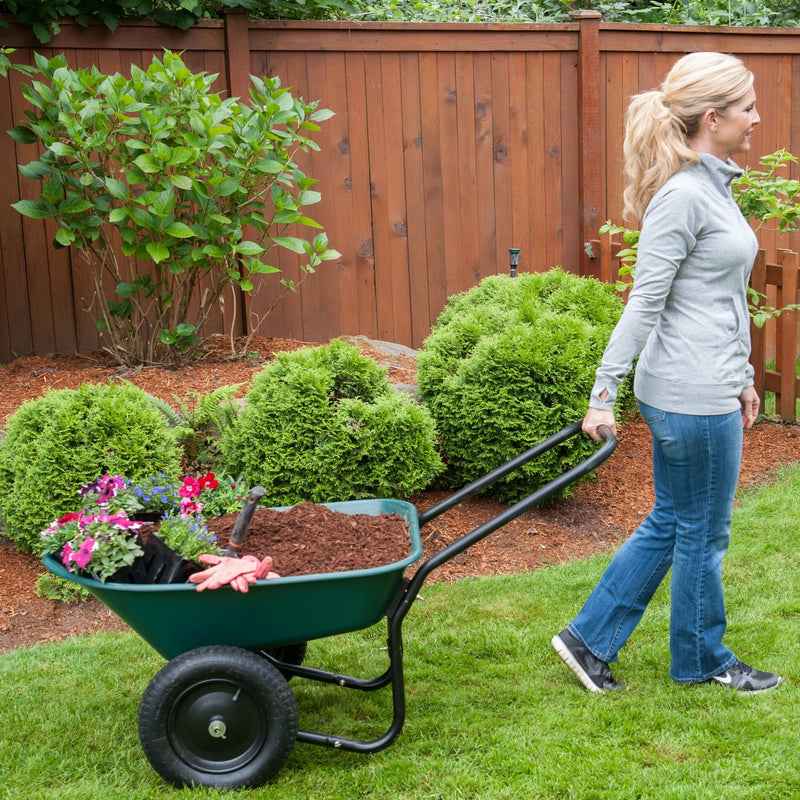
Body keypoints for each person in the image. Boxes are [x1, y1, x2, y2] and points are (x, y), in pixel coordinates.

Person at [552, 51, 782, 694]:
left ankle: (587, 640)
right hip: (689, 393)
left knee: (674, 519)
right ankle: (703, 659)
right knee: (704, 531)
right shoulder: (684, 197)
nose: (756, 118)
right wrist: (602, 394)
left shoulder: (710, 186)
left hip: (706, 380)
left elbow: (719, 300)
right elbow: (644, 304)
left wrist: (741, 373)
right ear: (713, 118)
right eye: (747, 108)